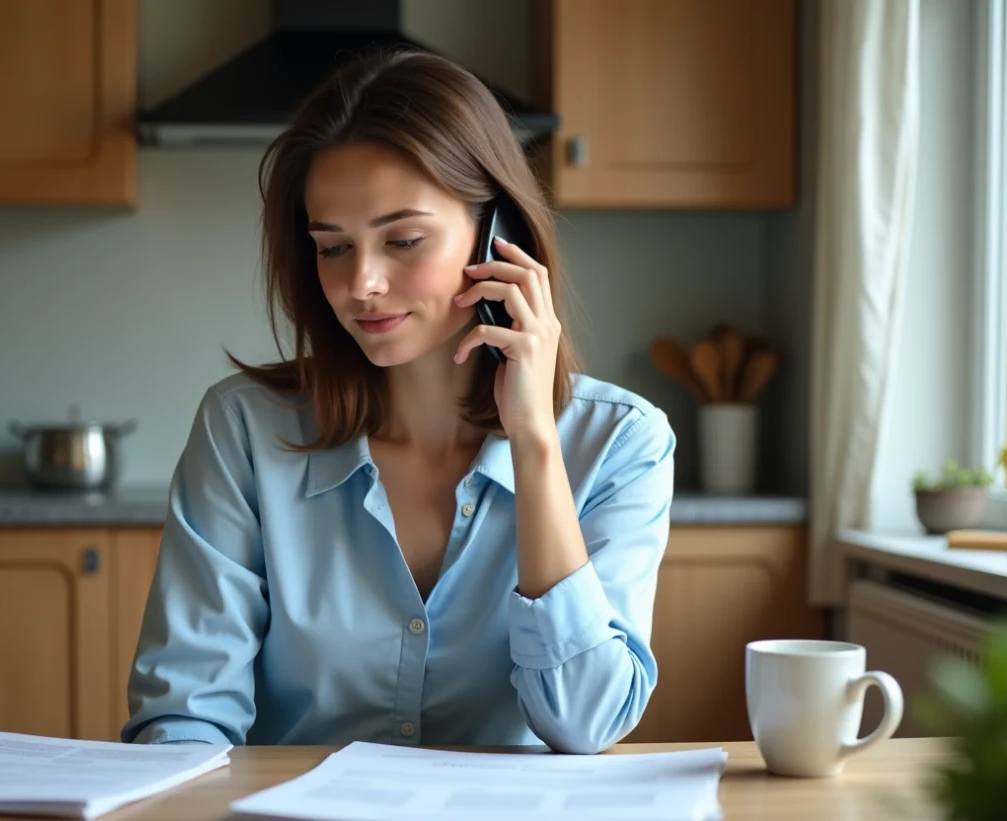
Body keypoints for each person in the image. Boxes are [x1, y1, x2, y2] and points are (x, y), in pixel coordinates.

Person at [121, 49, 676, 755]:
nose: (362, 283)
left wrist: (534, 439)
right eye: (332, 248)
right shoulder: (243, 431)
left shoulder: (622, 444)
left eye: (403, 240)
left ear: (498, 236)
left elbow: (586, 723)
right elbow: (183, 714)